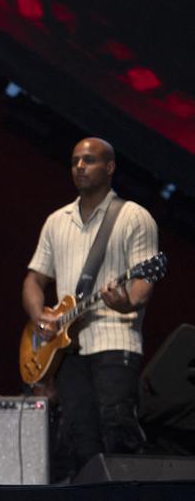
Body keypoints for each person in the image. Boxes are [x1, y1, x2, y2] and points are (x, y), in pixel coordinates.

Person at [22, 137, 157, 475]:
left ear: (110, 167)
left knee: (117, 429)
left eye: (89, 160)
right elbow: (34, 280)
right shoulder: (57, 221)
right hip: (68, 350)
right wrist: (39, 316)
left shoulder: (133, 217)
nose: (79, 166)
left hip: (114, 341)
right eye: (74, 161)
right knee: (79, 439)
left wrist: (126, 302)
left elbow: (143, 285)